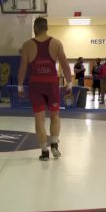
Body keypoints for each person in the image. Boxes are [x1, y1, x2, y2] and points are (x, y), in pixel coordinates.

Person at [18, 17, 72, 161]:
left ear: (35, 28)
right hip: (51, 84)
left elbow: (23, 67)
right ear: (47, 28)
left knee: (39, 119)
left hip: (36, 84)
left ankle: (44, 152)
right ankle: (54, 143)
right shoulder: (56, 43)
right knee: (55, 115)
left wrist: (20, 85)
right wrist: (70, 83)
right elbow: (65, 65)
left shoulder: (27, 45)